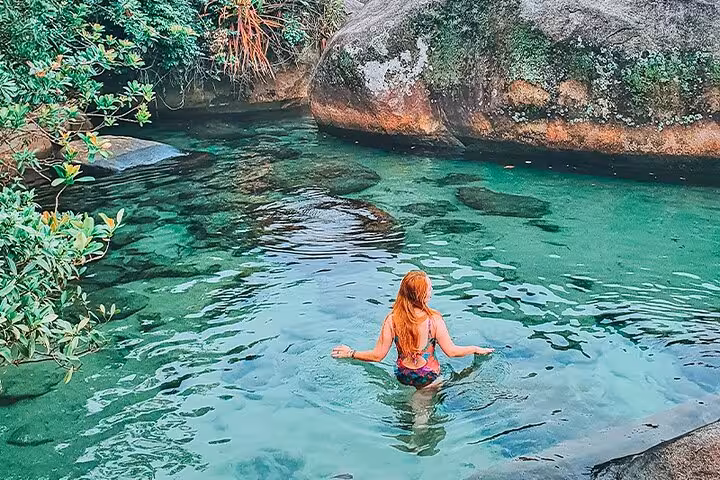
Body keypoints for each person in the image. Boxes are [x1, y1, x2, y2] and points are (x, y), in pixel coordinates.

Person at [332, 270, 494, 389]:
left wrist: (350, 353)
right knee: (422, 416)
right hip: (428, 375)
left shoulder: (392, 319)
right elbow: (451, 352)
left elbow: (377, 355)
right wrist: (475, 348)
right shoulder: (434, 320)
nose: (431, 291)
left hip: (402, 374)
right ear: (421, 295)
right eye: (429, 289)